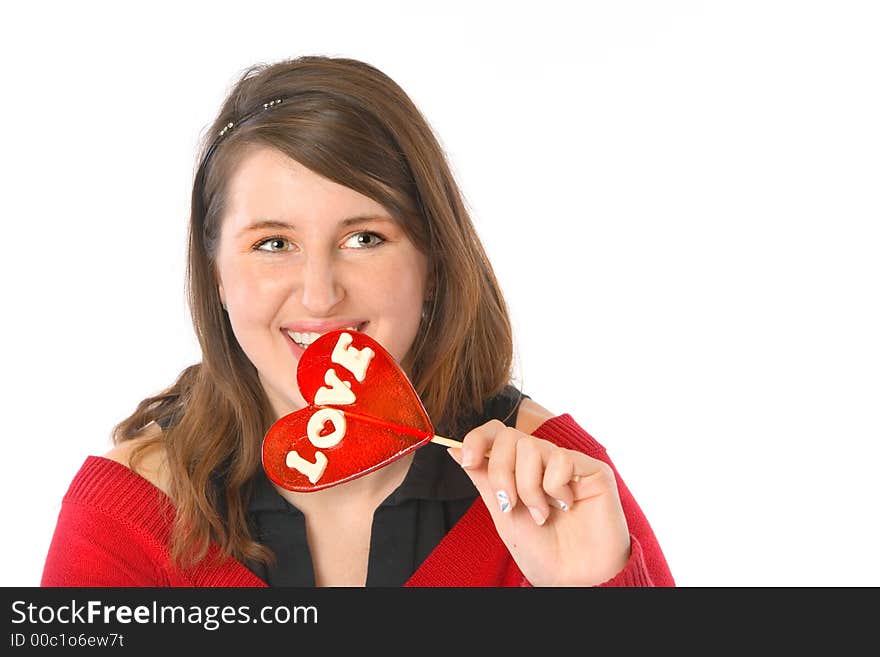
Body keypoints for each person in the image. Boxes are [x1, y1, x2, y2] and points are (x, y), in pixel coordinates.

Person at [41, 56, 674, 587]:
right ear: (215, 274)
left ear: (432, 259)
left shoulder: (557, 481)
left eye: (365, 238)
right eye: (272, 243)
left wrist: (593, 592)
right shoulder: (127, 518)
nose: (319, 296)